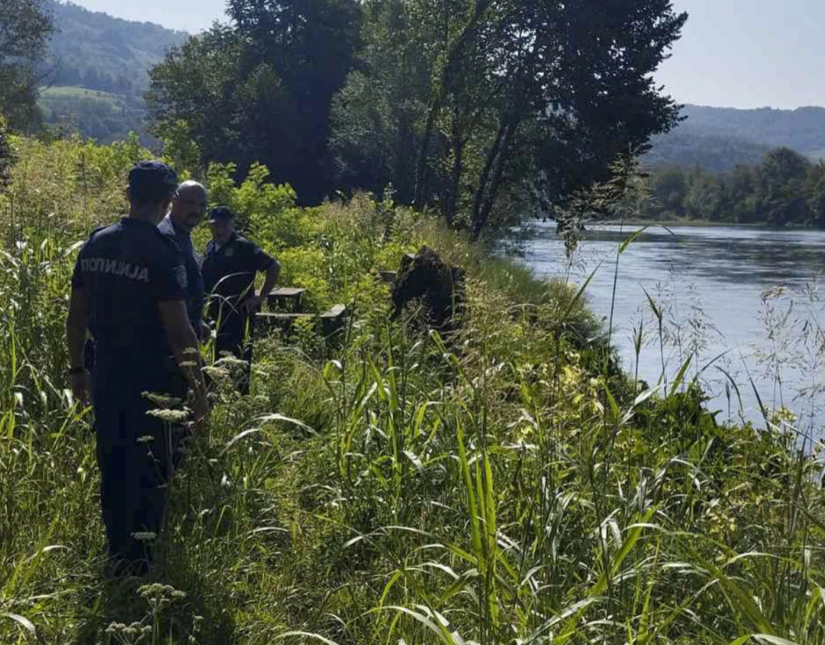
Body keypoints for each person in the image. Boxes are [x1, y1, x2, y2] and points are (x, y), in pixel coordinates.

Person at [66, 161, 209, 575]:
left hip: (106, 373)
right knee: (150, 468)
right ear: (168, 202)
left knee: (112, 462)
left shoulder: (95, 243)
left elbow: (75, 317)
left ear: (127, 194)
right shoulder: (162, 252)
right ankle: (141, 566)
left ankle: (116, 555)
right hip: (153, 378)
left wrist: (77, 371)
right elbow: (180, 333)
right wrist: (199, 393)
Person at [202, 207, 280, 395]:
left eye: (223, 225)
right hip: (213, 313)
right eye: (215, 225)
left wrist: (260, 296)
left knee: (240, 359)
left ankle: (240, 400)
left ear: (231, 224)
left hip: (238, 313)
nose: (219, 229)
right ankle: (215, 397)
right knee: (215, 357)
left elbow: (273, 267)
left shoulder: (244, 247)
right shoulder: (210, 246)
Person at [159, 180, 209, 340]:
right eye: (189, 203)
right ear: (174, 200)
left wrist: (197, 321)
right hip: (169, 339)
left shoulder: (182, 235)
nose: (196, 210)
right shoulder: (166, 237)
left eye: (202, 205)